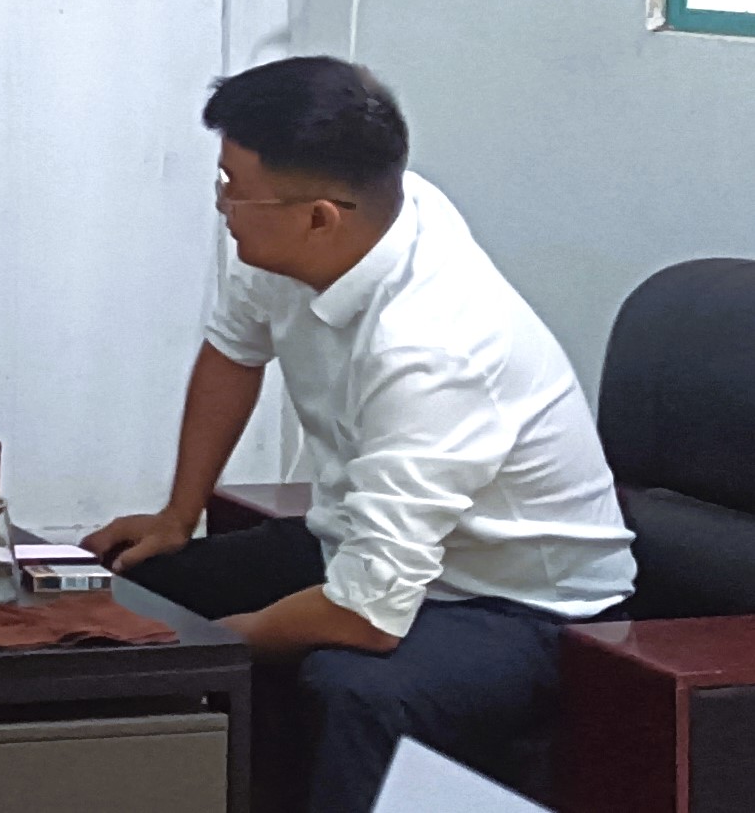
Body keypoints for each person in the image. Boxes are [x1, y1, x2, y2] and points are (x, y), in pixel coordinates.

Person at [82, 56, 635, 813]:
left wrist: (213, 645)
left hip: (518, 604)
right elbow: (233, 352)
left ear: (319, 217)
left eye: (233, 189)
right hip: (371, 544)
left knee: (350, 685)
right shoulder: (329, 227)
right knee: (140, 585)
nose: (223, 206)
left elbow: (366, 616)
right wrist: (178, 515)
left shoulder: (434, 346)